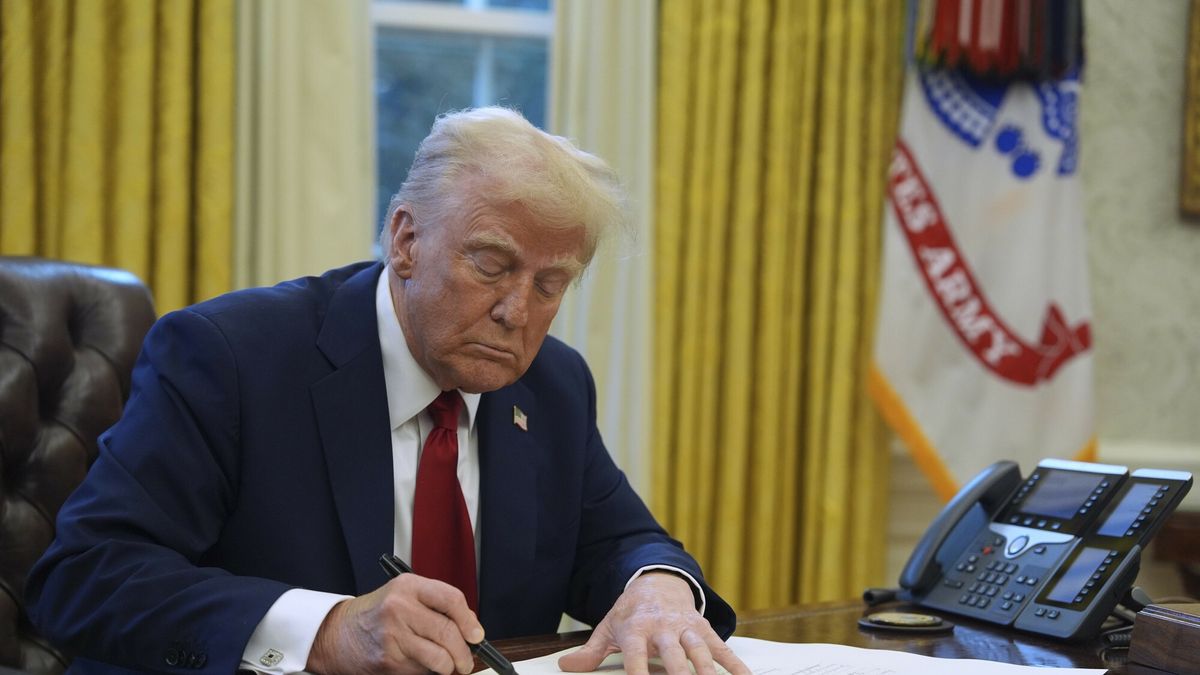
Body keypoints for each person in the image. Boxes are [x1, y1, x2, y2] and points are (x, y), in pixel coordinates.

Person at [27, 107, 749, 675]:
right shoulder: (232, 356)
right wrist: (327, 629)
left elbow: (620, 540)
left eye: (551, 283)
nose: (517, 311)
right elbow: (86, 575)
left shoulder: (552, 384)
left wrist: (657, 587)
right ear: (405, 241)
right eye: (493, 265)